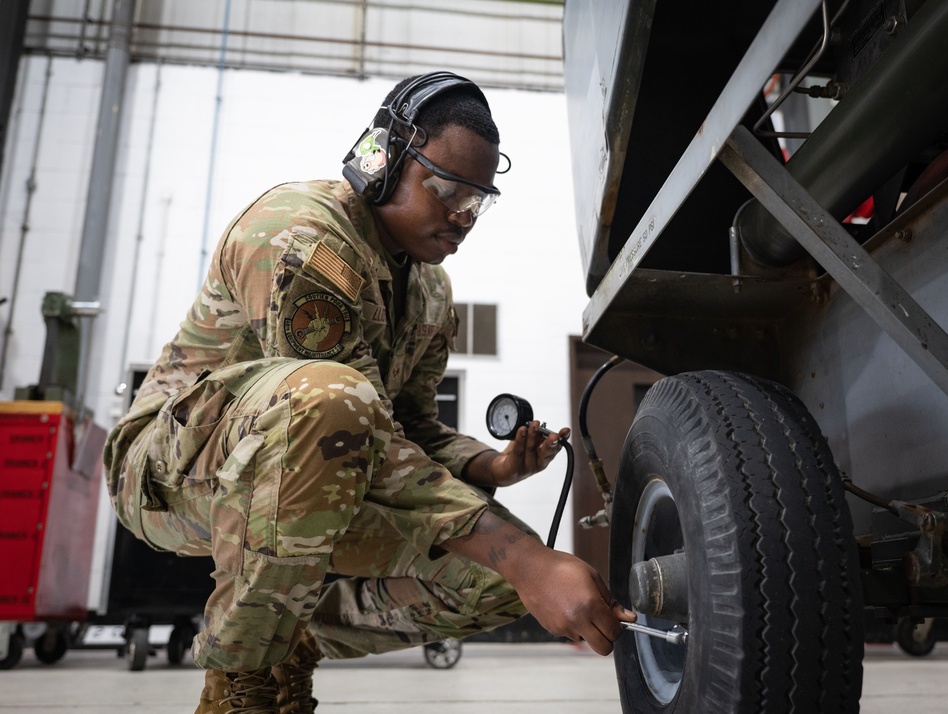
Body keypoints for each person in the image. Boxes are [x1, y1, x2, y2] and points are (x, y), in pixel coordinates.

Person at [103, 71, 633, 714]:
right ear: (380, 162)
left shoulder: (432, 291)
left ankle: (287, 632)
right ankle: (244, 679)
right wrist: (527, 559)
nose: (464, 215)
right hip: (171, 473)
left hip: (310, 479)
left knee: (500, 585)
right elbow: (348, 423)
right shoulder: (302, 237)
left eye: (479, 200)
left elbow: (410, 427)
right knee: (335, 400)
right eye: (447, 190)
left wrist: (491, 467)